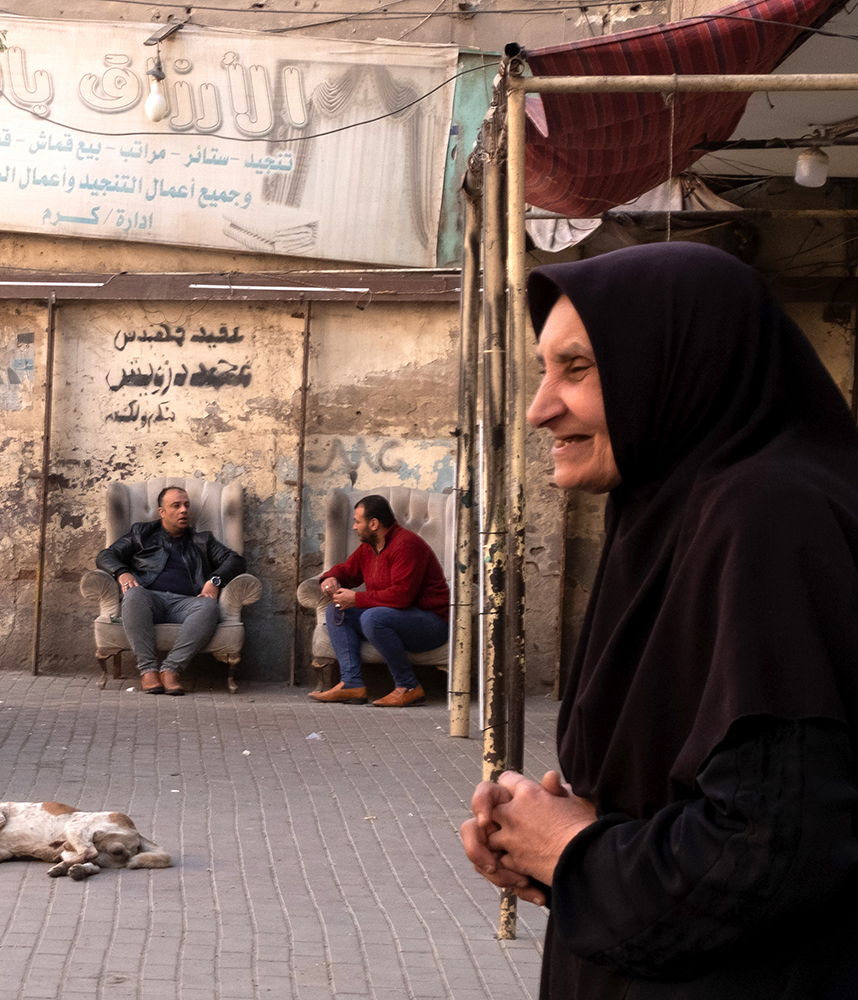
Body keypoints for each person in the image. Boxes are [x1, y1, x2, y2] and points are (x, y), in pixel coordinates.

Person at [459, 242, 858, 999]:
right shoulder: (671, 513)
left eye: (577, 369)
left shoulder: (767, 517)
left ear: (681, 365)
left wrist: (576, 851)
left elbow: (774, 848)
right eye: (544, 371)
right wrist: (550, 845)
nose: (543, 406)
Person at [96, 485, 245, 695]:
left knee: (208, 606)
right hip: (148, 598)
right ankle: (147, 671)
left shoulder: (203, 540)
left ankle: (171, 670)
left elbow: (236, 561)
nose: (184, 510)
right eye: (176, 506)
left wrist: (215, 580)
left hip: (186, 603)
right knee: (133, 595)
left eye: (186, 505)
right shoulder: (141, 533)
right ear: (162, 512)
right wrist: (121, 571)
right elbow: (105, 556)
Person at [309, 494, 449, 707]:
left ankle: (409, 686)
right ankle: (351, 684)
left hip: (431, 624)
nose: (354, 527)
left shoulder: (406, 544)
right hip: (396, 618)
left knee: (373, 618)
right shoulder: (369, 547)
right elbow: (348, 570)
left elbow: (401, 596)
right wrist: (330, 577)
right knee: (337, 610)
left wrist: (357, 598)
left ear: (373, 524)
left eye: (357, 521)